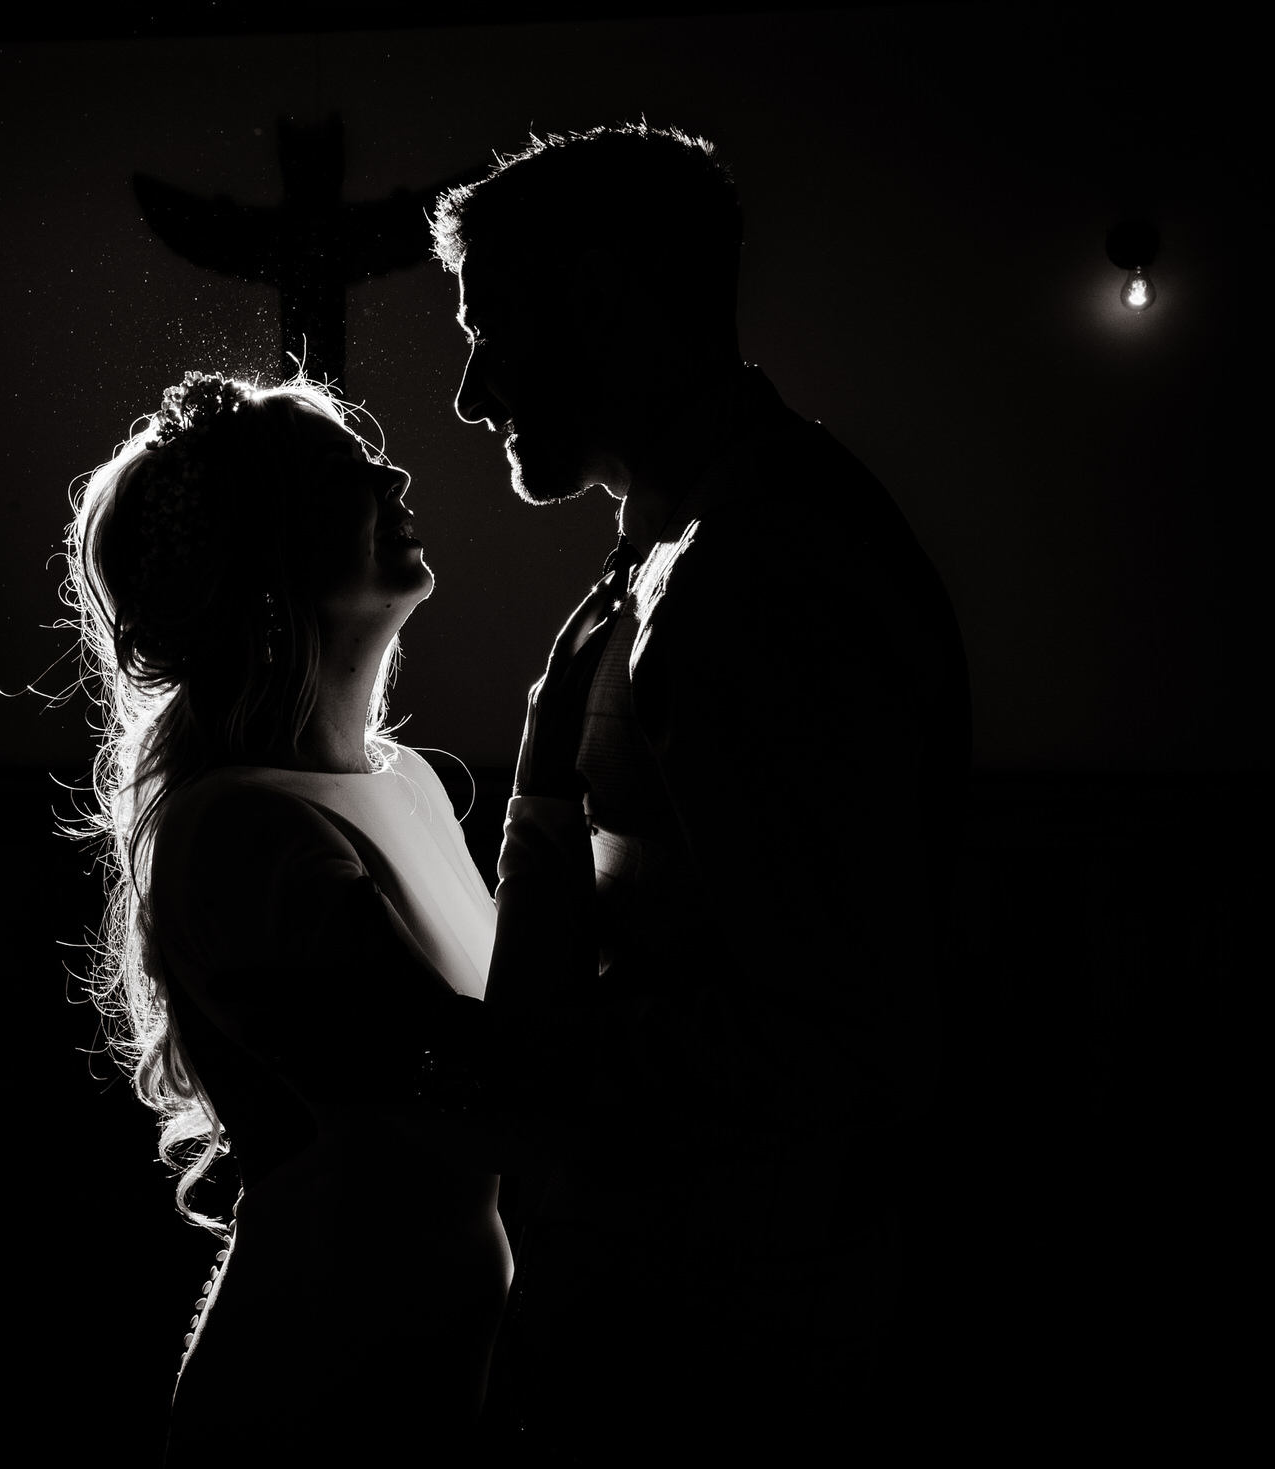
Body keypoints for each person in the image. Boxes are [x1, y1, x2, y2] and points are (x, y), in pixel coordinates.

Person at [432, 123, 974, 1459]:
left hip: (728, 1356)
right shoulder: (673, 552)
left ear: (603, 308)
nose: (468, 391)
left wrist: (473, 1057)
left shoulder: (765, 571)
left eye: (489, 329)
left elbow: (841, 1035)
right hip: (658, 1308)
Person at [65, 372, 537, 1465]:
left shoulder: (408, 780)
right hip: (320, 1389)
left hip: (440, 1368)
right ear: (269, 556)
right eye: (342, 469)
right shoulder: (239, 829)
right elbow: (477, 1095)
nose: (395, 470)